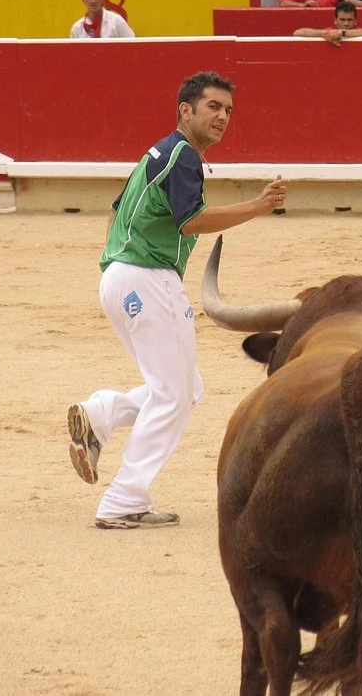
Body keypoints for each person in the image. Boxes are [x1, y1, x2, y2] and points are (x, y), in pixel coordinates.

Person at [67, 71, 289, 530]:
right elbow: (192, 221)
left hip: (120, 278)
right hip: (148, 280)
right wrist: (257, 207)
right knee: (173, 393)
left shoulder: (159, 153)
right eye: (213, 107)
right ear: (185, 110)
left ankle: (99, 414)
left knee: (184, 387)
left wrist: (122, 265)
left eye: (228, 110)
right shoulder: (183, 155)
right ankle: (123, 500)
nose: (223, 117)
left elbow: (114, 210)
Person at [72, 0, 136, 37]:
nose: (93, 1)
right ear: (84, 0)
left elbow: (133, 45)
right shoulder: (77, 28)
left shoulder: (116, 21)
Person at [293, 2, 362, 44]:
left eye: (350, 20)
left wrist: (341, 33)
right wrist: (322, 33)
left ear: (355, 21)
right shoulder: (329, 32)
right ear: (335, 20)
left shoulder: (359, 32)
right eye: (342, 20)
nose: (346, 24)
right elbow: (297, 33)